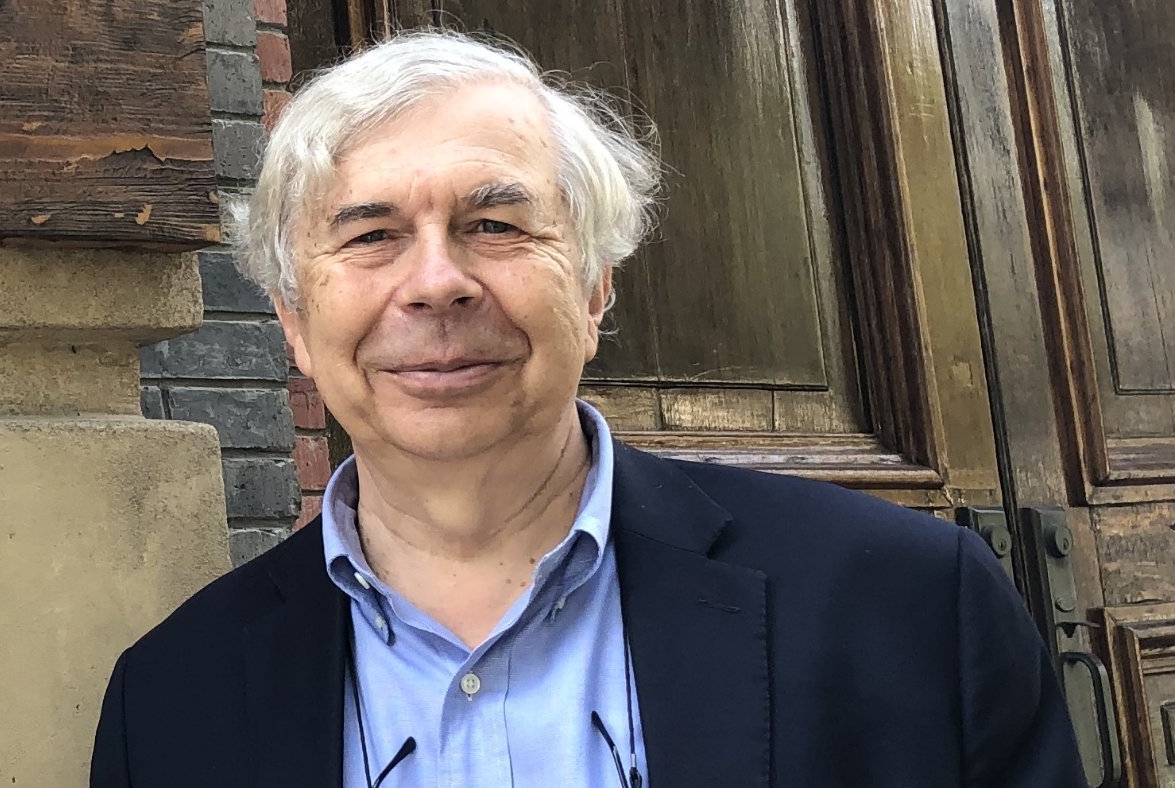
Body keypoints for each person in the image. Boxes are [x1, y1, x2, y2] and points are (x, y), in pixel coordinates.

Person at [90, 30, 1085, 787]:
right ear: (297, 321)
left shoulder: (905, 605)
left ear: (596, 287)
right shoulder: (171, 700)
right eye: (371, 237)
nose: (436, 282)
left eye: (494, 223)